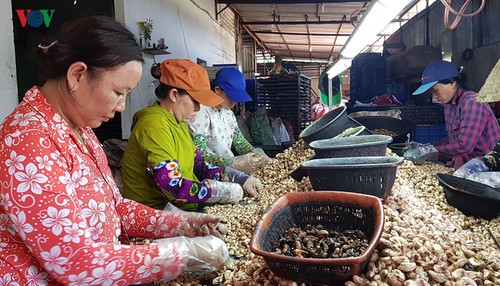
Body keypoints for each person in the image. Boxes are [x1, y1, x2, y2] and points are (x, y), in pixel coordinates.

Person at [0, 16, 229, 285]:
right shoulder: (27, 141)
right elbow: (75, 262)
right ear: (77, 75)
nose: (122, 106)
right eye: (119, 92)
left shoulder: (80, 129)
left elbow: (115, 207)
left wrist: (180, 225)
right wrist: (179, 254)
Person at [122, 60, 259, 212]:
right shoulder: (154, 126)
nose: (198, 108)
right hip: (156, 215)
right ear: (174, 94)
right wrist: (222, 191)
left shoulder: (179, 123)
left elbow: (200, 165)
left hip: (182, 209)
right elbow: (173, 186)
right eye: (195, 101)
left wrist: (237, 177)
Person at [410, 60, 500, 169]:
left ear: (452, 83)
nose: (434, 96)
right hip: (467, 164)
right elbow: (454, 141)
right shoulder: (449, 105)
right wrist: (427, 147)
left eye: (435, 90)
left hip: (487, 167)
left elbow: (464, 146)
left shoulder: (472, 103)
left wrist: (430, 150)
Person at [189, 68, 271, 176]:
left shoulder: (228, 114)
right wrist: (233, 162)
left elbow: (240, 142)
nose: (234, 102)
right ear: (217, 89)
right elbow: (199, 155)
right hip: (209, 174)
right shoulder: (201, 112)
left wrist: (256, 155)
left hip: (229, 172)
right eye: (231, 96)